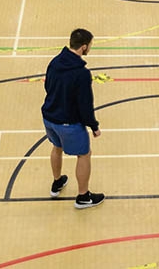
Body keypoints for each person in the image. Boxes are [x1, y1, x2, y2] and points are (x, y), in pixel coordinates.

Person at [41, 28, 105, 209]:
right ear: (84, 47)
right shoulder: (82, 74)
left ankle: (57, 182)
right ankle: (83, 197)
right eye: (90, 45)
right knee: (84, 154)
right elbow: (85, 104)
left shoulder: (54, 62)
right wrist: (94, 126)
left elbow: (48, 87)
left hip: (49, 117)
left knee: (57, 146)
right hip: (68, 123)